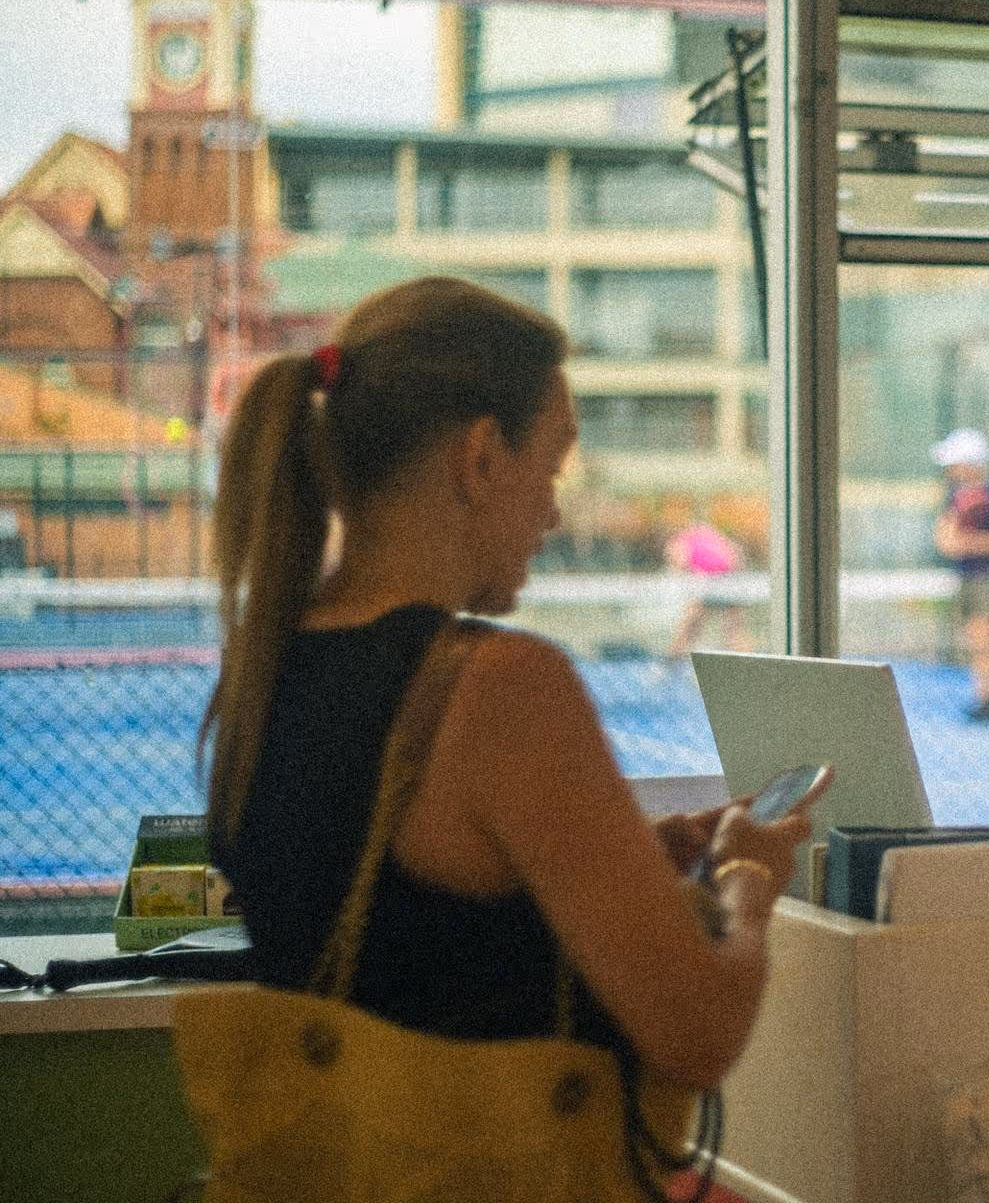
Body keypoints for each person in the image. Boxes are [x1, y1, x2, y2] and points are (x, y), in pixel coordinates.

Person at [199, 277, 819, 1183]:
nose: (554, 510)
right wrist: (746, 884)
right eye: (553, 463)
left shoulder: (261, 671)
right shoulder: (500, 688)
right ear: (482, 458)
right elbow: (698, 1034)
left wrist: (621, 856)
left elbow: (404, 930)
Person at [931, 427, 989, 722]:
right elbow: (945, 541)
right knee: (973, 638)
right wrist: (975, 544)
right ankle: (983, 694)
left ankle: (986, 697)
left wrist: (968, 544)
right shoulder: (955, 497)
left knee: (983, 637)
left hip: (984, 577)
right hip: (967, 577)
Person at [664, 517, 753, 659]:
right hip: (731, 582)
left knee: (689, 627)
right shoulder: (709, 533)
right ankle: (750, 664)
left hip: (711, 584)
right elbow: (736, 557)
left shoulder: (680, 541)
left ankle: (668, 665)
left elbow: (681, 563)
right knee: (733, 631)